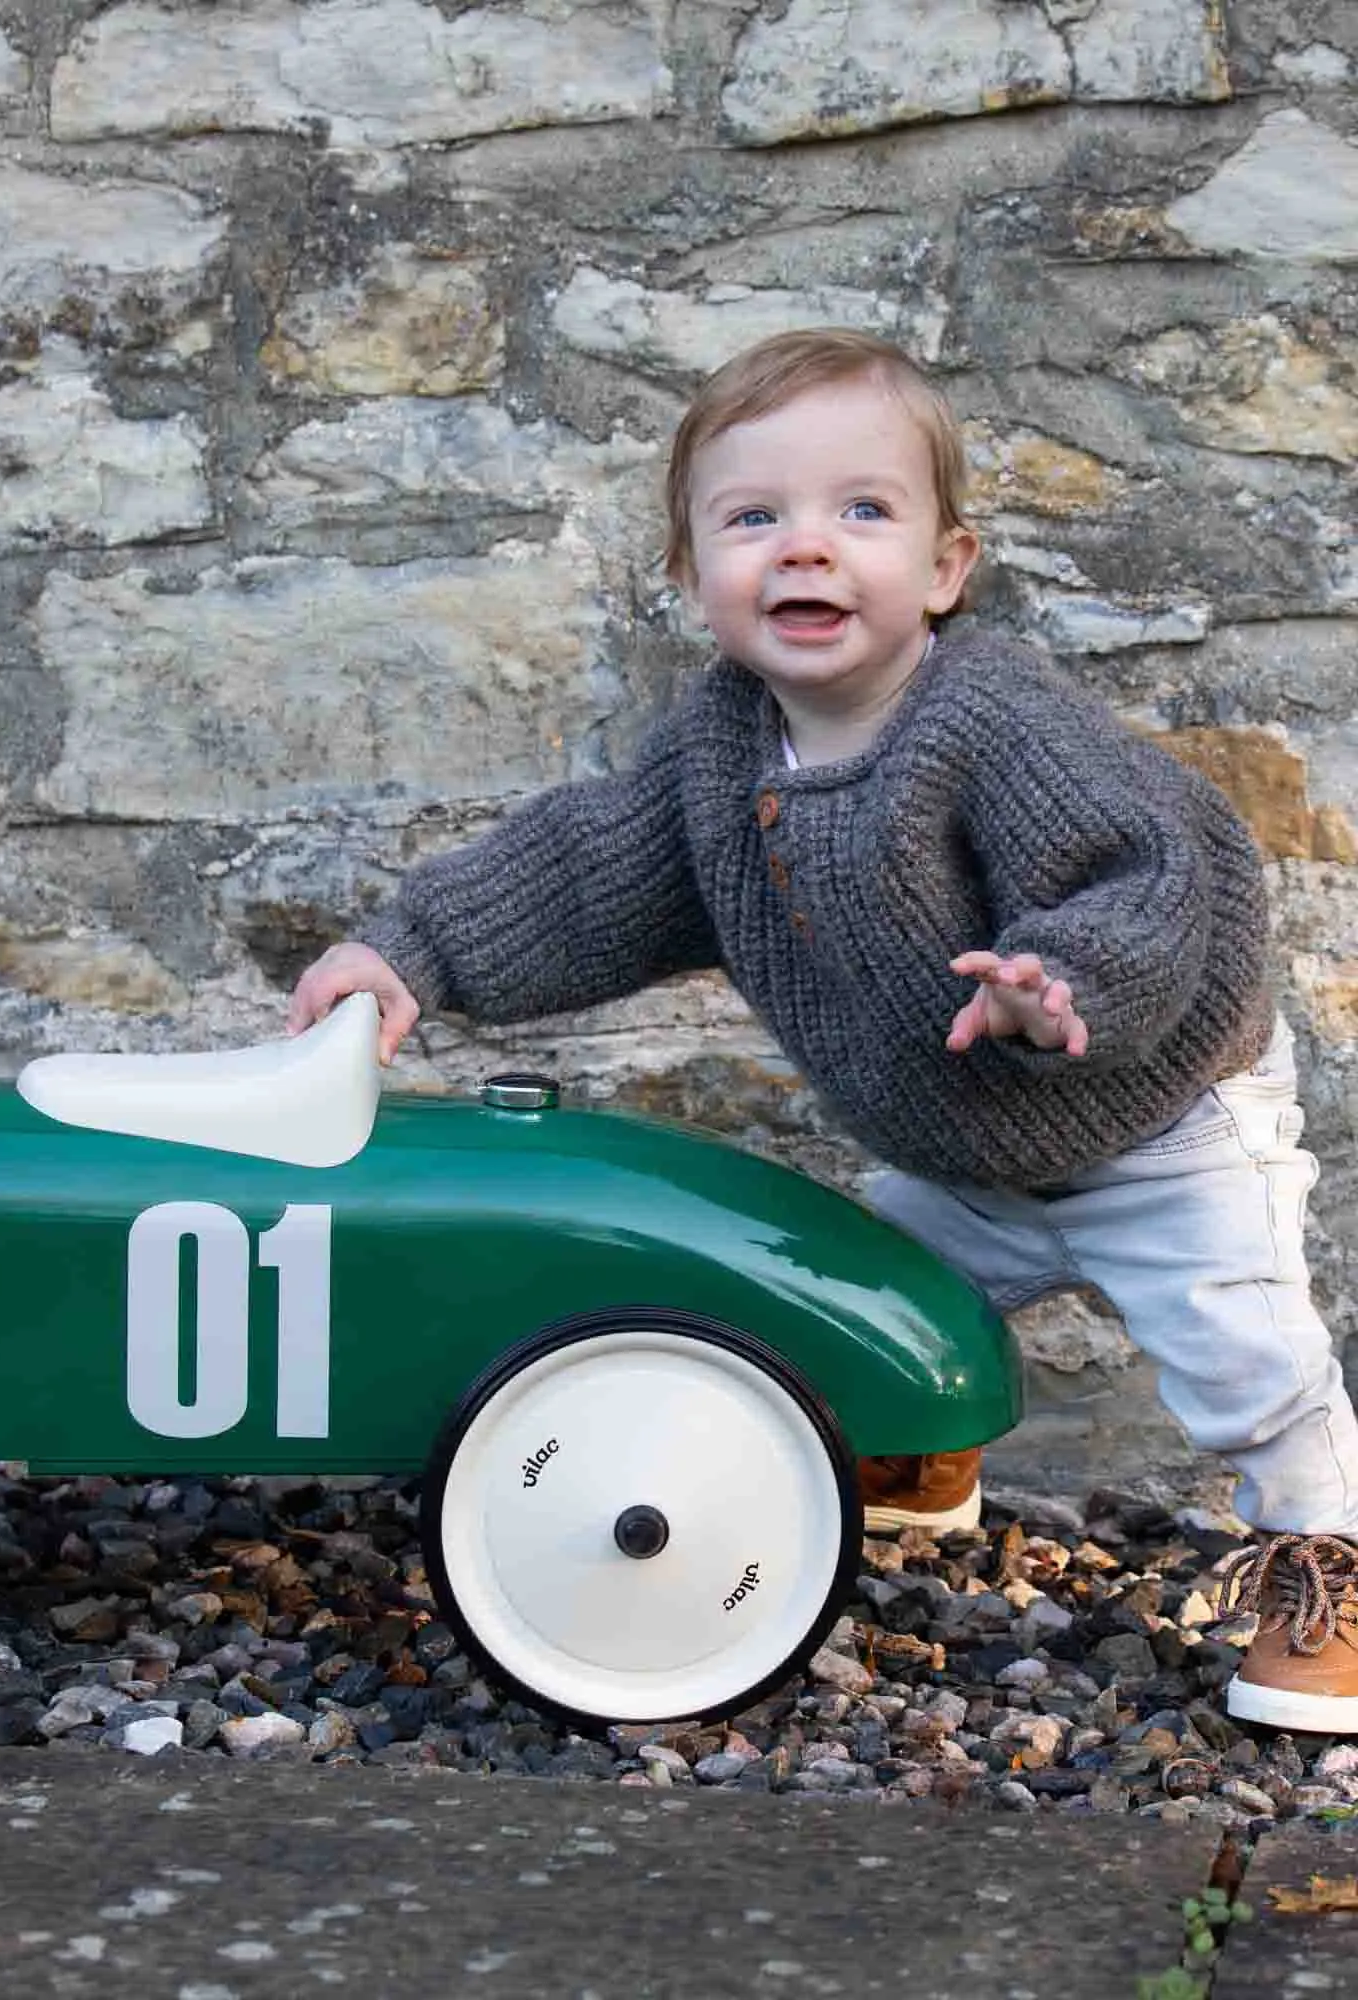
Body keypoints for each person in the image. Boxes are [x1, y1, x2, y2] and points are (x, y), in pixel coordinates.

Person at [284, 326, 1358, 1733]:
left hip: (1158, 1123)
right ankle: (917, 1449)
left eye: (863, 511)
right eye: (753, 518)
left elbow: (1146, 865)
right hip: (964, 1140)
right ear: (689, 577)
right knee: (853, 1292)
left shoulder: (990, 719)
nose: (807, 548)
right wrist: (411, 947)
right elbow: (589, 871)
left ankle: (1320, 1579)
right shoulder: (722, 750)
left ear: (947, 568)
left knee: (1248, 1360)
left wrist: (1056, 980)